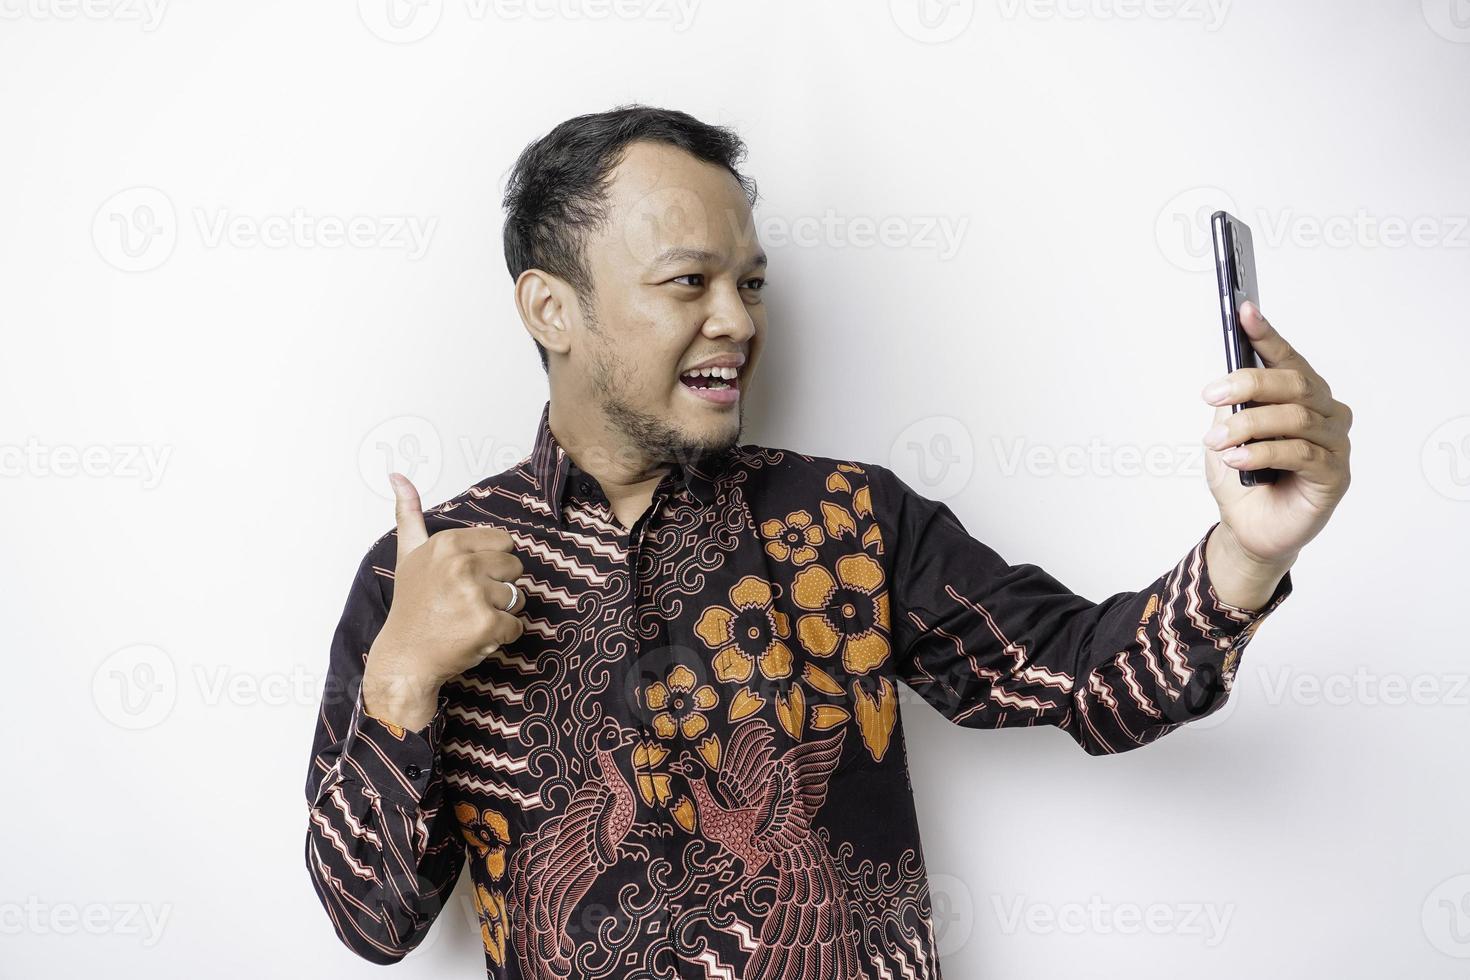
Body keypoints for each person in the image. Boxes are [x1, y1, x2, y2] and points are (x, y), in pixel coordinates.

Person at [303, 104, 1352, 979]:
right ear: (552, 307)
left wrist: (1250, 552)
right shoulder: (422, 576)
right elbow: (374, 921)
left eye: (749, 283)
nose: (737, 320)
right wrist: (402, 676)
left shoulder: (848, 520)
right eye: (688, 282)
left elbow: (1088, 680)